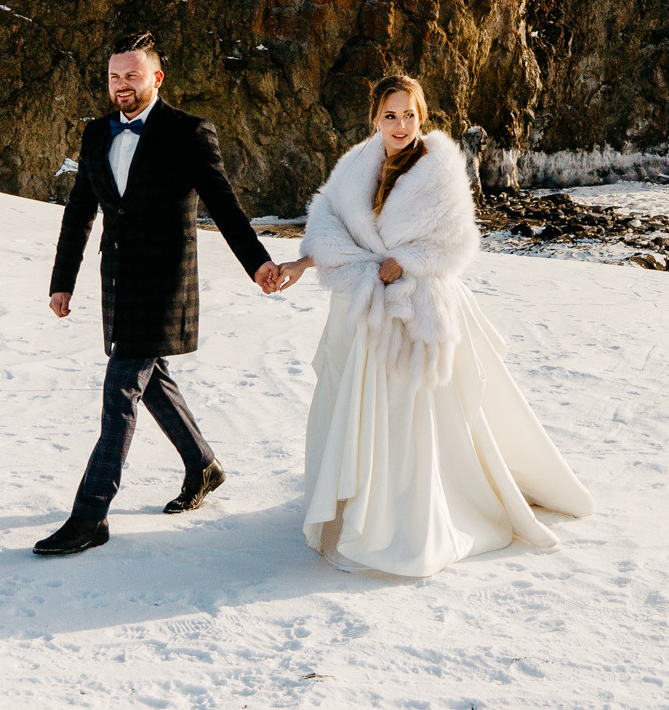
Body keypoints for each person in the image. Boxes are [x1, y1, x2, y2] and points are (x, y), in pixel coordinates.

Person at [271, 73, 593, 577]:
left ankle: (409, 516)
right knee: (363, 407)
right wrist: (299, 265)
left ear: (423, 118)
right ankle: (359, 503)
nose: (400, 126)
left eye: (409, 116)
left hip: (416, 307)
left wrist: (406, 259)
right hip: (364, 308)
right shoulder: (355, 165)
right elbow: (328, 226)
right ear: (375, 117)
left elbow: (456, 242)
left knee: (412, 415)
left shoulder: (439, 170)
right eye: (390, 115)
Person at [35, 31, 282, 556]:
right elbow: (81, 208)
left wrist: (258, 263)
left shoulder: (188, 132)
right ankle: (203, 466)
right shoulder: (96, 133)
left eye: (132, 75)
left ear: (156, 78)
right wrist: (63, 279)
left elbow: (223, 203)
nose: (121, 85)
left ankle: (90, 515)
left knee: (121, 390)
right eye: (114, 76)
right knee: (150, 382)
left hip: (166, 284)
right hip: (119, 282)